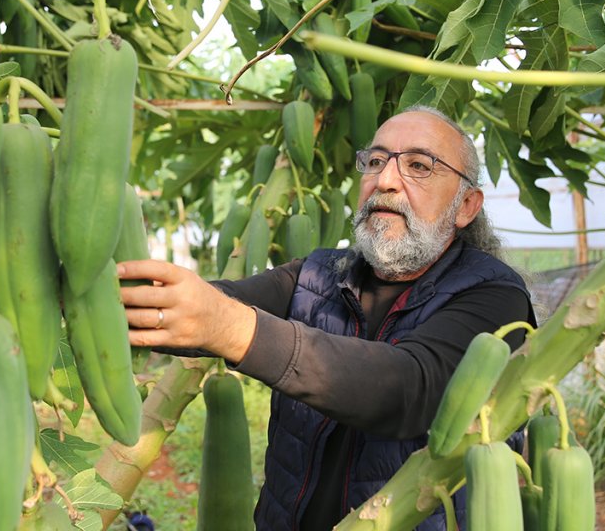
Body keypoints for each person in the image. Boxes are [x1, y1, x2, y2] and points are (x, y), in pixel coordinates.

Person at [118, 106, 536, 531]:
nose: (385, 180)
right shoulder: (319, 274)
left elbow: (410, 387)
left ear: (466, 205)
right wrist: (98, 296)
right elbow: (216, 302)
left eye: (418, 165)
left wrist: (231, 327)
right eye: (375, 161)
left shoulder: (494, 297)